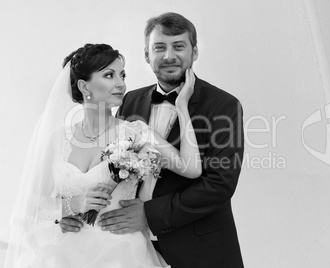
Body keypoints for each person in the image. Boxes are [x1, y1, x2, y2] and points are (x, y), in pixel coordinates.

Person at [64, 13, 245, 268]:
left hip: (199, 249)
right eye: (159, 47)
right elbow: (114, 167)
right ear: (147, 55)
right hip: (127, 245)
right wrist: (72, 211)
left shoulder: (224, 105)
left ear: (194, 52)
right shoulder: (131, 100)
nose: (169, 56)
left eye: (178, 46)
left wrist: (150, 215)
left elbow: (219, 184)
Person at [5, 43, 202, 268]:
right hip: (62, 254)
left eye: (122, 75)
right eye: (109, 75)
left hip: (121, 253)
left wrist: (182, 107)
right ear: (84, 86)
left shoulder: (136, 132)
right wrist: (71, 205)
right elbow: (31, 205)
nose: (121, 83)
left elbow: (191, 167)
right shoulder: (57, 139)